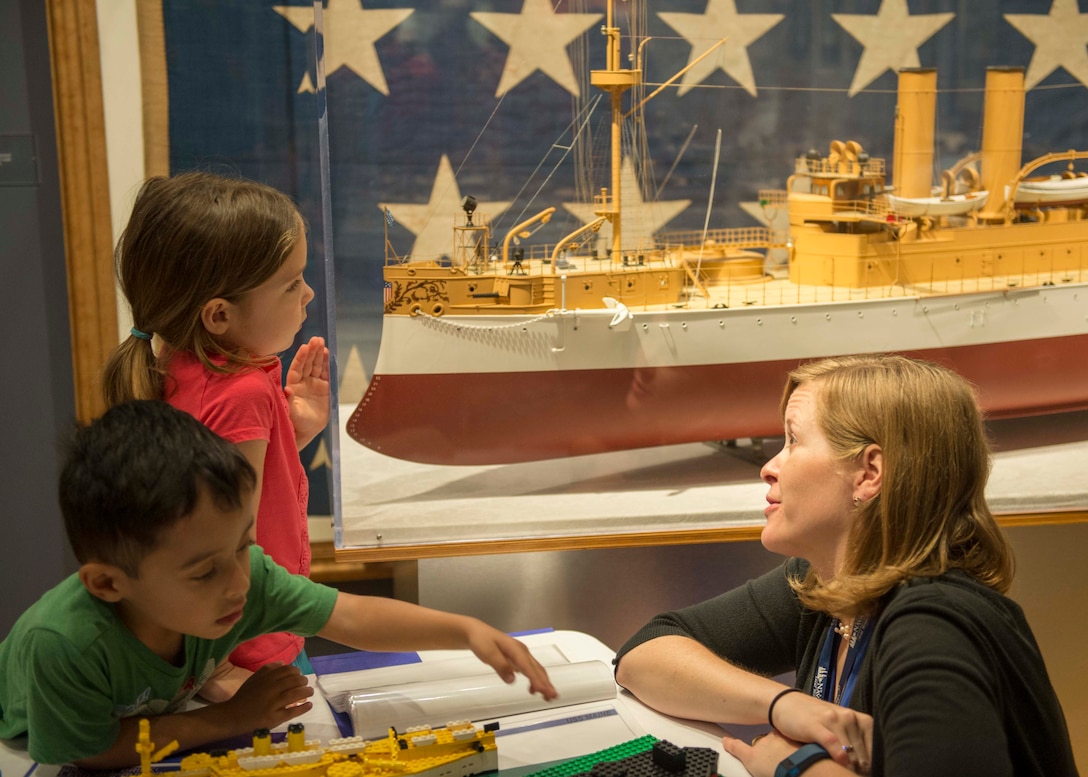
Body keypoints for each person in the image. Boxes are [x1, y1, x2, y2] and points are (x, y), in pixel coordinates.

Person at [0, 401, 557, 768]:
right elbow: (93, 751)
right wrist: (230, 720)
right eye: (204, 571)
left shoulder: (241, 579)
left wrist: (466, 630)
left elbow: (351, 617)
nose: (240, 581)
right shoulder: (63, 645)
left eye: (243, 544)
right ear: (107, 584)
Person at [613, 355, 1077, 777]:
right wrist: (782, 704)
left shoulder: (934, 627)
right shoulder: (823, 583)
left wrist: (797, 768)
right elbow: (642, 654)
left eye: (793, 440)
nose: (769, 467)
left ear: (869, 473)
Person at [101, 171, 328, 697]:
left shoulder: (180, 362)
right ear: (219, 315)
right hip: (247, 646)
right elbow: (225, 540)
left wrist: (295, 431)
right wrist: (221, 670)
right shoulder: (240, 391)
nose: (308, 292)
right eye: (292, 283)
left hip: (222, 640)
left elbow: (222, 493)